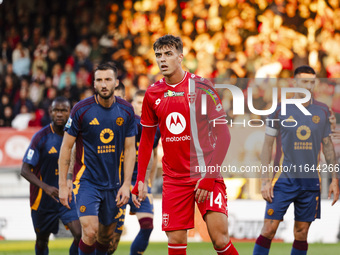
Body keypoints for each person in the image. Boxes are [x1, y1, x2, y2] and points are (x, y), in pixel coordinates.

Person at [131, 35, 238, 255]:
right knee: (177, 240)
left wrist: (209, 177)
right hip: (174, 179)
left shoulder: (202, 87)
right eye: (159, 55)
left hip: (205, 174)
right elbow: (147, 140)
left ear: (181, 57)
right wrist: (141, 179)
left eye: (168, 54)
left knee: (219, 238)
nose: (163, 60)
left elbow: (224, 136)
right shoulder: (152, 94)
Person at [253, 65, 339, 255]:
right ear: (294, 83)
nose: (308, 86)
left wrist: (334, 179)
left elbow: (328, 146)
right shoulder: (280, 110)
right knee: (269, 229)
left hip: (309, 182)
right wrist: (265, 179)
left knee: (301, 233)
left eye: (312, 82)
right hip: (282, 180)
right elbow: (267, 146)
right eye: (304, 81)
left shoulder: (323, 111)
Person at [58, 62, 137, 255]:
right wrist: (63, 184)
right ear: (94, 84)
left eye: (108, 80)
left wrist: (126, 184)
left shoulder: (127, 111)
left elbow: (130, 150)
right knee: (90, 230)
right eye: (99, 80)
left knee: (106, 238)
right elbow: (66, 148)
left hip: (113, 184)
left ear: (116, 83)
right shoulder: (81, 109)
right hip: (86, 182)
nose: (103, 84)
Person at [21, 96, 81, 255]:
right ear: (50, 112)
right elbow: (25, 169)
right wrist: (45, 187)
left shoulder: (76, 136)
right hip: (43, 200)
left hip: (68, 198)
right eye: (56, 110)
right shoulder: (41, 137)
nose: (59, 114)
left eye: (64, 110)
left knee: (81, 235)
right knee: (42, 240)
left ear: (70, 112)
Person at [109, 89, 161, 255]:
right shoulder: (120, 124)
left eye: (145, 104)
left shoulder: (154, 128)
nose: (142, 107)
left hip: (139, 184)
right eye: (139, 103)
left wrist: (148, 181)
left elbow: (153, 156)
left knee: (147, 226)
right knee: (112, 238)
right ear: (132, 104)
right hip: (118, 184)